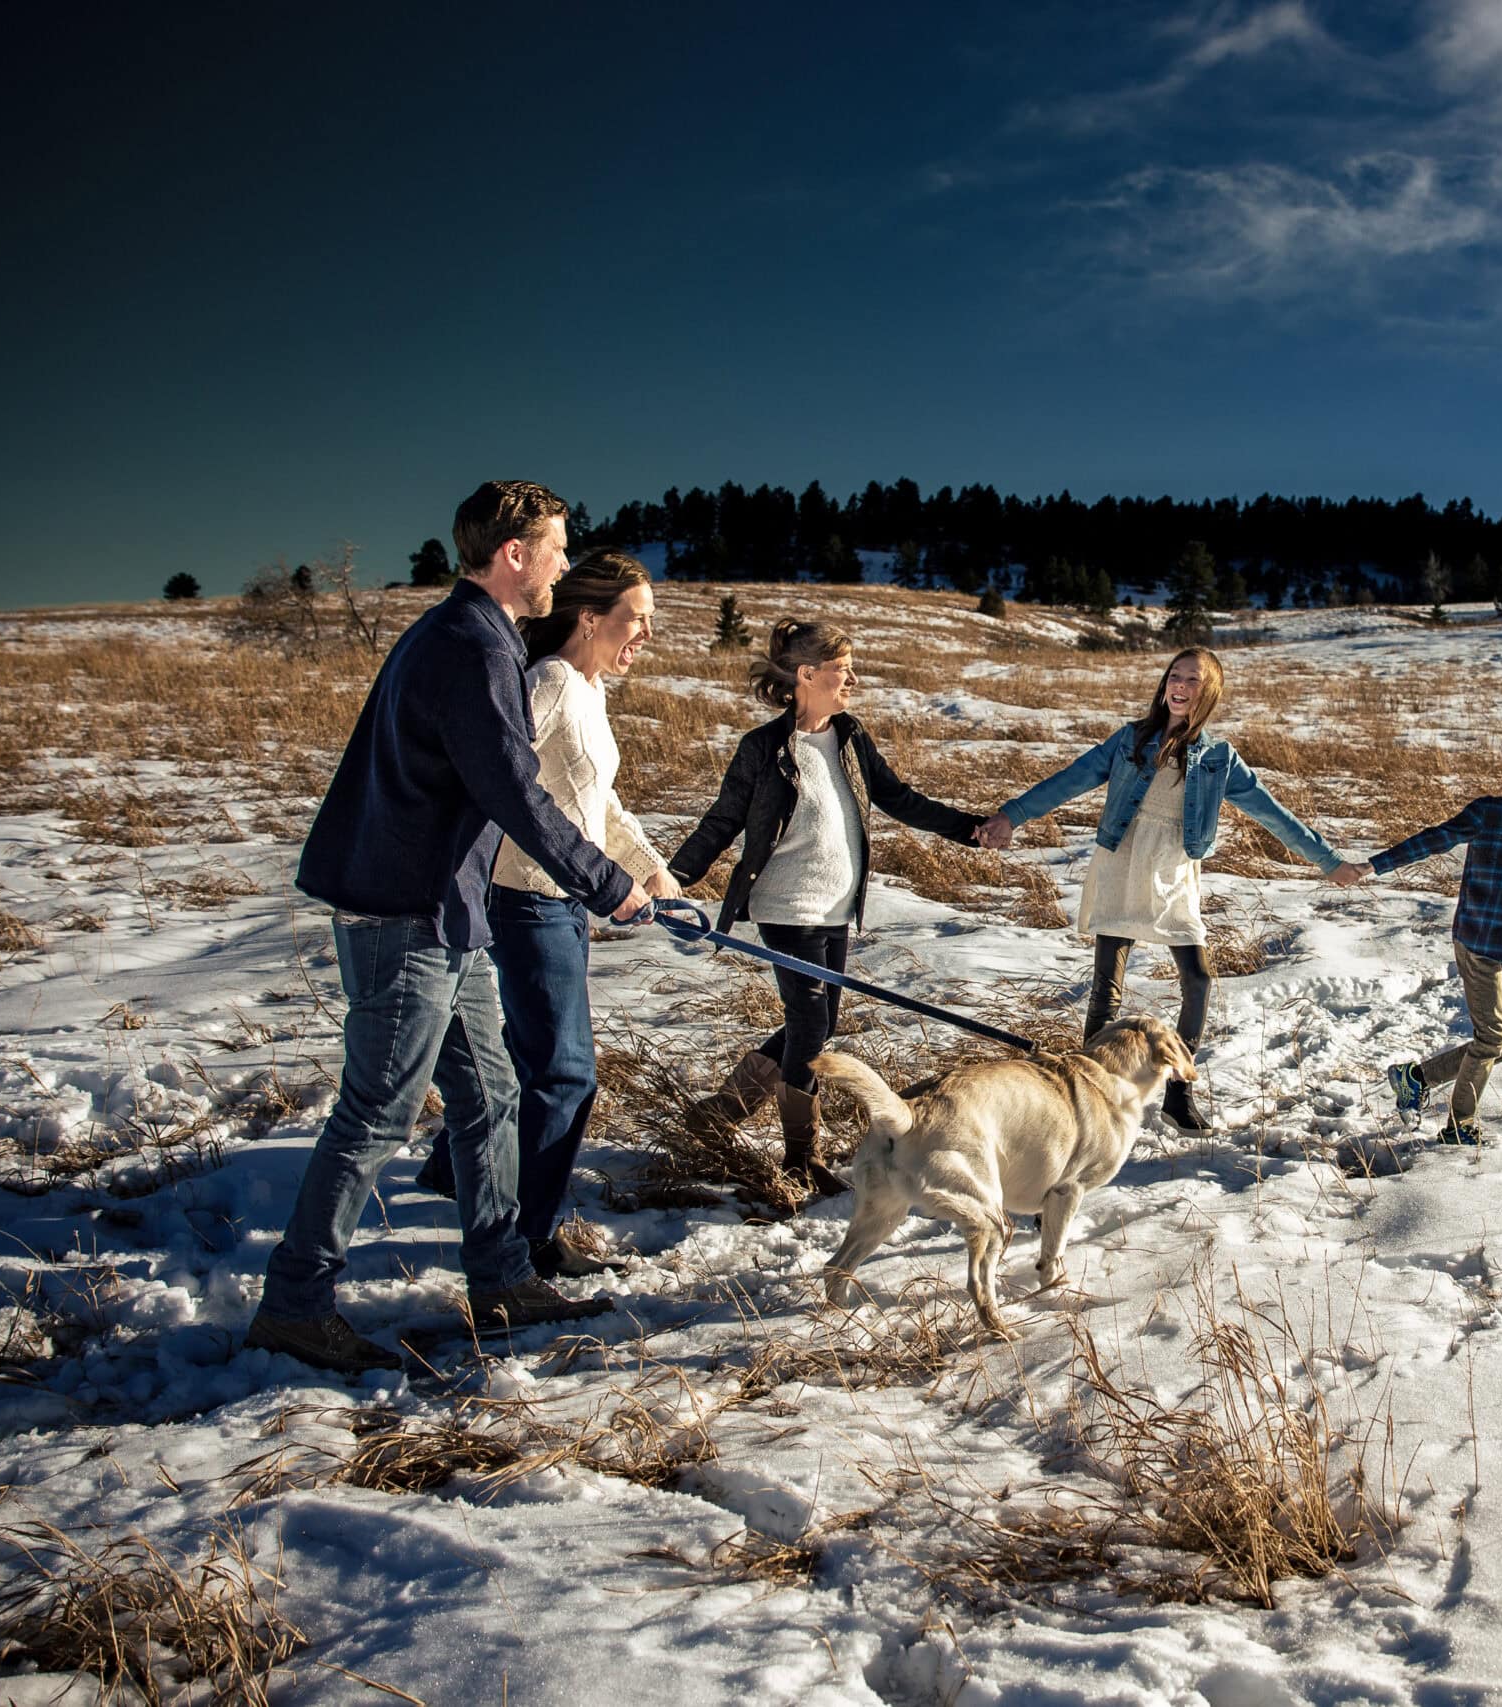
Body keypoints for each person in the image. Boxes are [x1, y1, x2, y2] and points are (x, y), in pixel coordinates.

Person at [251, 481, 649, 1375]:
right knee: (376, 1111)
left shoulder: (467, 636)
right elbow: (516, 790)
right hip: (408, 914)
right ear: (515, 554)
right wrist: (604, 883)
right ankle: (295, 1301)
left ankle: (502, 1274)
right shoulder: (472, 648)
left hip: (448, 911)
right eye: (554, 546)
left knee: (493, 1093)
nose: (561, 564)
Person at [417, 551, 683, 1277]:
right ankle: (528, 1233)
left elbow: (600, 805)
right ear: (590, 617)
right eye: (637, 618)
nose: (647, 635)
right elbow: (499, 778)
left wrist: (653, 870)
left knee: (528, 1050)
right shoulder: (549, 684)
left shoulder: (589, 691)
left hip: (562, 899)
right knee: (565, 1073)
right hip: (526, 898)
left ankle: (453, 1171)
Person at [979, 647, 1363, 1131]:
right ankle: (1087, 1099)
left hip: (1174, 871)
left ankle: (1178, 1094)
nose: (1179, 686)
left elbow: (1273, 815)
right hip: (1122, 860)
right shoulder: (1130, 741)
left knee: (1198, 979)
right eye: (1174, 676)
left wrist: (1328, 862)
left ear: (1210, 693)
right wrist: (1012, 816)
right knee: (1107, 991)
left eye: (1193, 680)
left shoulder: (1220, 760)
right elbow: (1069, 780)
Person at [667, 617, 986, 1198]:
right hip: (786, 906)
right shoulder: (763, 748)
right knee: (812, 1025)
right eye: (842, 670)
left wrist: (969, 827)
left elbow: (896, 798)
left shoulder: (850, 736)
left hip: (837, 908)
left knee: (812, 1023)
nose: (853, 680)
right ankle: (799, 1158)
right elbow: (722, 821)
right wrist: (674, 877)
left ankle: (722, 1110)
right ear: (807, 675)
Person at [1338, 721, 1502, 1146]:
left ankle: (1416, 1077)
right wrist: (1373, 866)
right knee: (1492, 1038)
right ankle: (1459, 1126)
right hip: (1477, 941)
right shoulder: (1489, 812)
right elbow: (1434, 840)